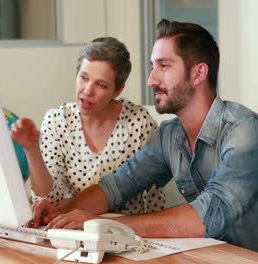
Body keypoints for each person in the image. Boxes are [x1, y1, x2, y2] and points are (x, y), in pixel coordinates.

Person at [29, 19, 258, 261]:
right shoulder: (170, 136)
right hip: (224, 257)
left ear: (198, 73)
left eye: (164, 66)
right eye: (152, 66)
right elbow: (116, 186)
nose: (151, 80)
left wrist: (103, 226)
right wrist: (63, 212)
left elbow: (204, 218)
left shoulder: (246, 132)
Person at [10, 37, 165, 216]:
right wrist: (31, 149)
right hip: (72, 231)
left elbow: (154, 200)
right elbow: (50, 201)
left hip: (126, 233)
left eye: (101, 84)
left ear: (117, 90)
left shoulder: (139, 122)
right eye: (83, 78)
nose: (87, 90)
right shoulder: (57, 121)